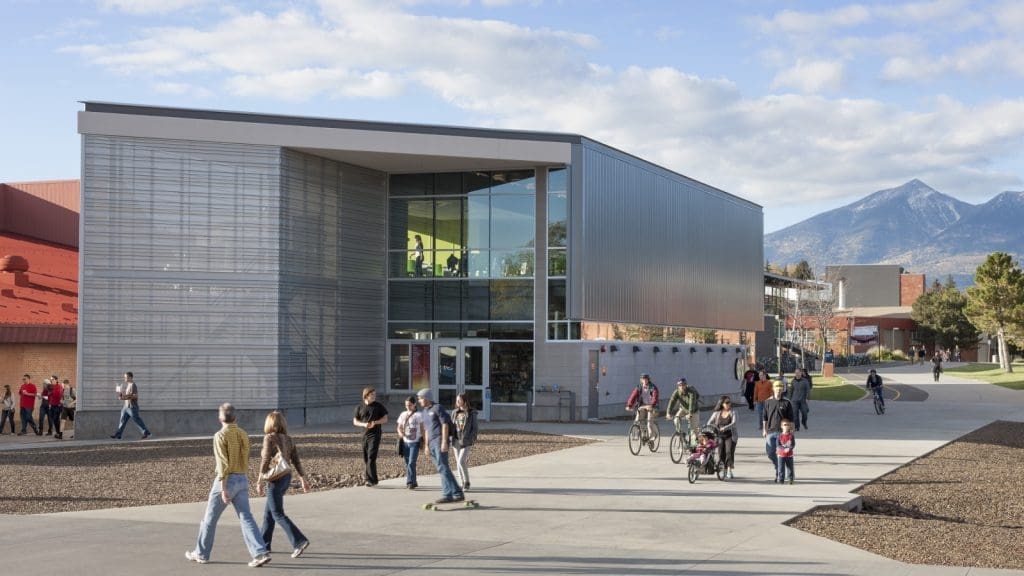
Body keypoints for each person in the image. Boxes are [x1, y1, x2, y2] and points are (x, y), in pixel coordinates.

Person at [185, 403, 271, 567]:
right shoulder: (243, 434)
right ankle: (260, 552)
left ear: (219, 419)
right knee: (246, 517)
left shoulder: (220, 436)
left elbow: (222, 464)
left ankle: (201, 553)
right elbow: (245, 457)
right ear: (235, 418)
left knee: (210, 519)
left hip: (226, 480)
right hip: (242, 478)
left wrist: (223, 488)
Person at [256, 411, 311, 560]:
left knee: (277, 514)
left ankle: (299, 541)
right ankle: (263, 545)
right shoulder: (289, 439)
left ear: (269, 423)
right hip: (286, 477)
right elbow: (296, 461)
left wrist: (259, 480)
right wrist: (303, 479)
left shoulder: (269, 438)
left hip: (274, 479)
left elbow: (266, 460)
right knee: (269, 514)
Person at [417, 388, 464, 504]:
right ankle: (450, 494)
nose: (419, 401)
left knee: (443, 467)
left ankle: (455, 493)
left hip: (439, 441)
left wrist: (444, 441)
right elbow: (427, 430)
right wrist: (426, 445)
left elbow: (445, 425)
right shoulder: (424, 412)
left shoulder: (437, 408)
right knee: (441, 469)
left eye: (420, 398)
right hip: (431, 443)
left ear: (426, 398)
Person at [352, 386, 388, 487]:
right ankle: (374, 479)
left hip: (375, 434)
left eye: (375, 395)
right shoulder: (359, 407)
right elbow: (355, 421)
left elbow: (385, 419)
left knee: (371, 456)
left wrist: (375, 422)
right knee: (366, 458)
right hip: (364, 435)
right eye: (372, 395)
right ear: (366, 396)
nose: (374, 396)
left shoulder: (378, 406)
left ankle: (370, 480)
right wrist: (364, 424)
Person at [762, 380, 794, 476]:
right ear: (773, 389)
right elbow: (765, 417)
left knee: (783, 453)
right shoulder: (768, 402)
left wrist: (791, 431)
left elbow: (791, 419)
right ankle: (778, 466)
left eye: (780, 389)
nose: (778, 391)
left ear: (782, 390)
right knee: (770, 453)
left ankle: (780, 472)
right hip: (771, 432)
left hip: (782, 433)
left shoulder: (787, 402)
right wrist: (764, 429)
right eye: (776, 389)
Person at [111, 371, 152, 440]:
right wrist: (122, 397)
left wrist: (125, 396)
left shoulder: (133, 385)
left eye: (125, 377)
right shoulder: (128, 385)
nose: (124, 378)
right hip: (125, 407)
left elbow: (135, 396)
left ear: (130, 377)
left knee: (137, 420)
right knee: (122, 420)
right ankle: (118, 435)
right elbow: (128, 396)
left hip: (132, 407)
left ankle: (147, 433)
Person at [452, 393, 479, 491]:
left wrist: (471, 438)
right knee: (458, 463)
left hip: (466, 440)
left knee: (461, 461)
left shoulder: (472, 413)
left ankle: (467, 482)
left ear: (464, 401)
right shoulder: (455, 412)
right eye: (456, 400)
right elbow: (452, 426)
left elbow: (475, 428)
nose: (457, 402)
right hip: (456, 440)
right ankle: (462, 483)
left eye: (459, 400)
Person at [396, 395, 424, 489]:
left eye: (410, 405)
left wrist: (424, 441)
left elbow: (422, 428)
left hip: (415, 442)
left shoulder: (419, 415)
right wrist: (400, 433)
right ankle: (414, 481)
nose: (408, 406)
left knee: (412, 462)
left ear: (414, 404)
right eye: (406, 405)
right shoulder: (403, 414)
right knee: (407, 463)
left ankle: (409, 482)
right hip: (405, 442)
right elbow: (399, 426)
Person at [706, 395, 738, 479]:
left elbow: (734, 423)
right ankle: (722, 469)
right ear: (722, 404)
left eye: (729, 402)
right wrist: (708, 427)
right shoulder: (717, 413)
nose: (729, 404)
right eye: (727, 402)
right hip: (719, 436)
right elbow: (709, 422)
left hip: (730, 436)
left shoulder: (733, 412)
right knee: (720, 453)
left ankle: (729, 470)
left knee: (728, 452)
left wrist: (725, 427)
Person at [625, 373, 659, 445]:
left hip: (651, 406)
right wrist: (629, 405)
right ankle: (643, 435)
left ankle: (652, 437)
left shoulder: (653, 387)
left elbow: (655, 397)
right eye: (643, 379)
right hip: (643, 406)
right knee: (638, 421)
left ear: (648, 380)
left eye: (646, 379)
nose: (645, 381)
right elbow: (633, 396)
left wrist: (652, 405)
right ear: (641, 380)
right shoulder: (639, 387)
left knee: (649, 422)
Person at [666, 377, 700, 447]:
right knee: (676, 420)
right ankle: (681, 434)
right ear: (678, 386)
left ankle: (694, 445)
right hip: (683, 409)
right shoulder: (677, 392)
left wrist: (690, 414)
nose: (681, 387)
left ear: (686, 385)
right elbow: (672, 402)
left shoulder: (691, 391)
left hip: (693, 410)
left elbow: (692, 403)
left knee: (694, 429)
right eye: (680, 385)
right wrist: (668, 413)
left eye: (683, 385)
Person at [775, 419, 796, 484]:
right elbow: (778, 445)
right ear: (781, 426)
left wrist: (789, 449)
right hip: (781, 455)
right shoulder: (779, 436)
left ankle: (790, 479)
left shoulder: (791, 436)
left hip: (789, 455)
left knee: (790, 468)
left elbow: (793, 444)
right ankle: (781, 479)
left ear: (789, 426)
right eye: (785, 425)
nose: (786, 426)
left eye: (788, 425)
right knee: (781, 468)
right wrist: (783, 449)